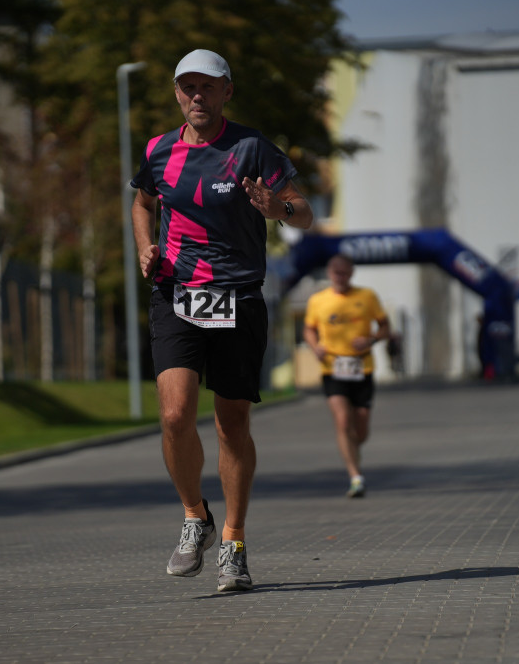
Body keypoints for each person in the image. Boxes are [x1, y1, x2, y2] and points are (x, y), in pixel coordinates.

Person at [130, 49, 313, 591]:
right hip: (176, 291)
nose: (196, 97)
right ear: (176, 93)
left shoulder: (251, 148)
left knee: (231, 422)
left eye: (206, 87)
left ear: (226, 91)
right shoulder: (159, 151)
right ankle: (195, 517)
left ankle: (233, 539)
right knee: (174, 415)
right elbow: (143, 203)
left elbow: (304, 210)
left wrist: (276, 209)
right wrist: (146, 245)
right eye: (186, 87)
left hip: (237, 294)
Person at [303, 253, 390, 498]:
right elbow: (309, 329)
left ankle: (352, 449)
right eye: (335, 273)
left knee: (360, 428)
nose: (340, 277)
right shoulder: (318, 300)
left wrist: (371, 339)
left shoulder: (367, 296)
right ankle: (355, 476)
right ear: (329, 274)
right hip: (333, 368)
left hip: (362, 368)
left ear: (351, 273)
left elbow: (385, 327)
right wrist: (315, 346)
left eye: (344, 273)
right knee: (343, 421)